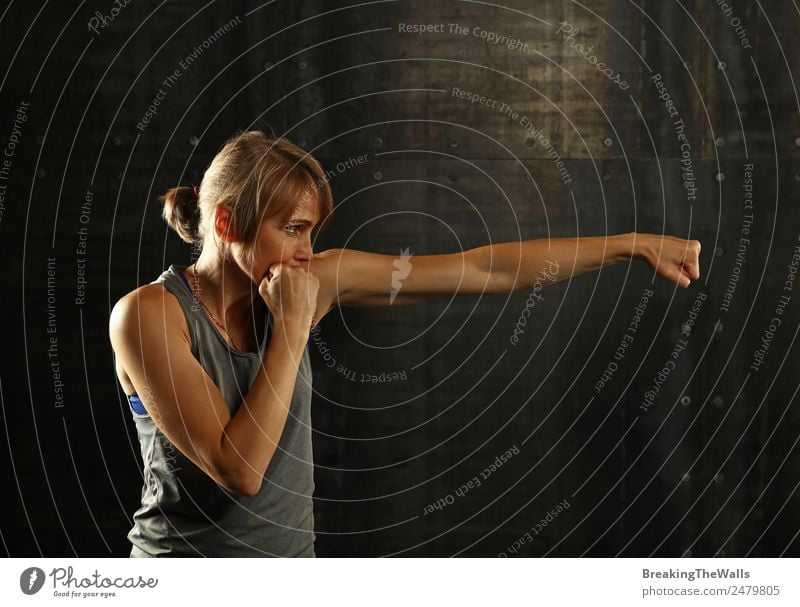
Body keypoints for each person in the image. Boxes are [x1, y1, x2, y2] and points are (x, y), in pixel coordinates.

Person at [109, 130, 701, 557]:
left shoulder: (311, 283)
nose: (307, 252)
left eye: (313, 232)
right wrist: (291, 326)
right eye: (292, 229)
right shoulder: (149, 316)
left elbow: (482, 270)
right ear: (226, 224)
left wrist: (632, 244)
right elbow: (239, 472)